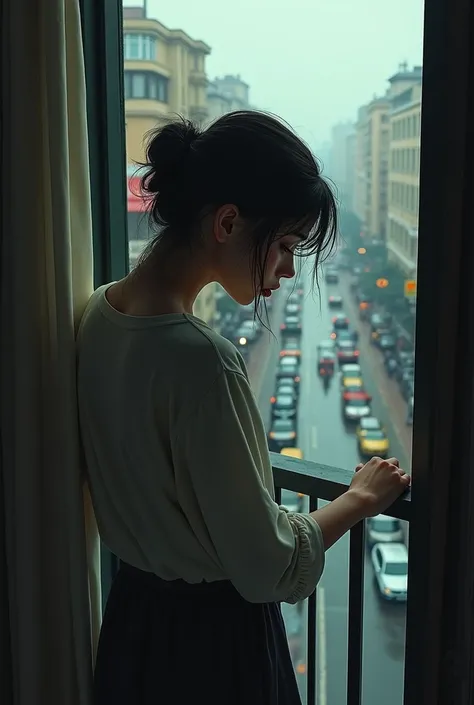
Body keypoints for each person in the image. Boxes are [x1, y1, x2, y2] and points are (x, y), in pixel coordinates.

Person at [77, 111, 410, 705]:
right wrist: (359, 499)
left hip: (134, 627)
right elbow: (267, 567)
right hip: (211, 650)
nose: (286, 271)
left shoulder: (100, 314)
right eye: (284, 246)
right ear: (228, 223)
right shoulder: (202, 360)